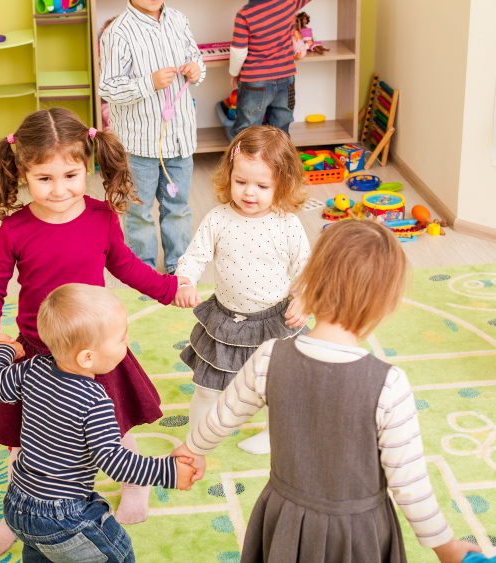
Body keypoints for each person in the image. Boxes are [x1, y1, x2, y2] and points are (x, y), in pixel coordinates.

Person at [173, 220, 482, 563]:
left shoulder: (268, 357)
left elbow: (221, 417)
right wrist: (447, 547)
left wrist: (191, 449)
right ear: (386, 304)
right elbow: (410, 484)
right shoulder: (389, 384)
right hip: (358, 534)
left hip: (284, 518)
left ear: (307, 284)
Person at [0, 107, 195, 555]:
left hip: (95, 348)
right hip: (36, 352)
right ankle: (18, 516)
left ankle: (135, 486)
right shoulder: (15, 230)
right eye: (45, 179)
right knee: (23, 438)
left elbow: (128, 268)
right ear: (23, 173)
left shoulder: (100, 218)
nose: (60, 190)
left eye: (71, 175)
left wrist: (170, 290)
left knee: (114, 425)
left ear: (88, 166)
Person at [0, 284, 199, 563]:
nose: (128, 339)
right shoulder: (94, 400)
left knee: (42, 555)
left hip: (16, 505)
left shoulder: (31, 369)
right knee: (118, 556)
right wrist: (168, 472)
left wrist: (3, 351)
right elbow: (115, 461)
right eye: (121, 339)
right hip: (63, 517)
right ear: (87, 357)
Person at [174, 125, 310, 455]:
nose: (250, 192)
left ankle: (273, 434)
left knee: (277, 387)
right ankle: (197, 438)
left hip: (275, 322)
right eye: (241, 182)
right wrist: (185, 280)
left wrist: (306, 298)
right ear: (229, 174)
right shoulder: (218, 219)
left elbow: (307, 269)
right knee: (207, 387)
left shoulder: (286, 223)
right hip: (225, 322)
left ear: (282, 184)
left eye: (262, 185)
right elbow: (195, 256)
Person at [98, 0, 206, 275]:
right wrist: (150, 82)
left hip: (179, 139)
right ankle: (142, 273)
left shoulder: (179, 20)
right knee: (139, 211)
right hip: (139, 144)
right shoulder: (118, 31)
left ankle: (179, 269)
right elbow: (109, 89)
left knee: (178, 208)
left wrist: (196, 69)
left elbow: (197, 59)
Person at [229, 0, 318, 139]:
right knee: (280, 131)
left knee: (247, 132)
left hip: (255, 81)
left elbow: (238, 52)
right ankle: (279, 161)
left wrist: (235, 73)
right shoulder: (289, 3)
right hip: (286, 78)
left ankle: (246, 160)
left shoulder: (244, 14)